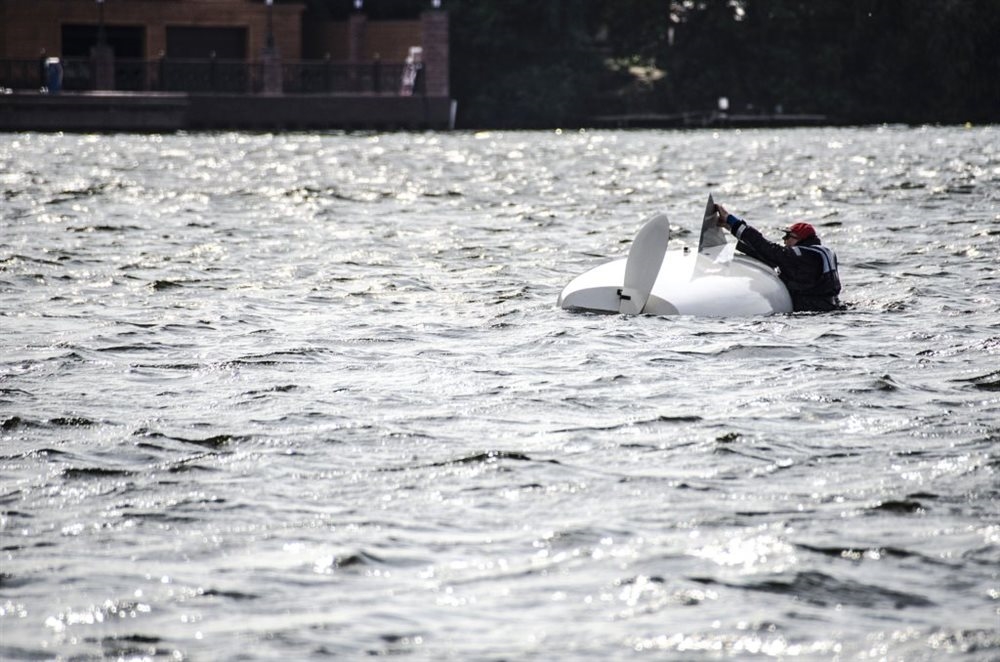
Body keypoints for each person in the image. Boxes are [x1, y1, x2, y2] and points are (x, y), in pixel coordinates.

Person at [715, 203, 843, 312]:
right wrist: (730, 229)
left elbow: (767, 249)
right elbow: (769, 256)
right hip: (830, 306)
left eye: (788, 236)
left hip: (812, 312)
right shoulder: (820, 253)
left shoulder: (802, 255)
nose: (784, 240)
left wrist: (731, 220)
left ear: (800, 239)